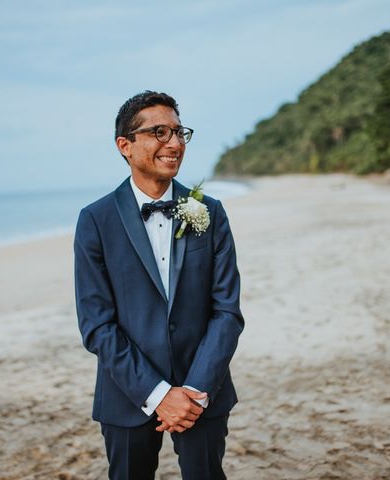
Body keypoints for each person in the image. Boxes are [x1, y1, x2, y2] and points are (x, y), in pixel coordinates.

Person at [74, 90, 243, 479]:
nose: (175, 143)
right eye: (160, 132)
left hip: (203, 393)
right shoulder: (95, 220)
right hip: (126, 394)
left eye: (180, 131)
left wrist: (195, 390)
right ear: (125, 145)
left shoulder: (210, 212)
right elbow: (97, 325)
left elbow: (227, 311)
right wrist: (158, 394)